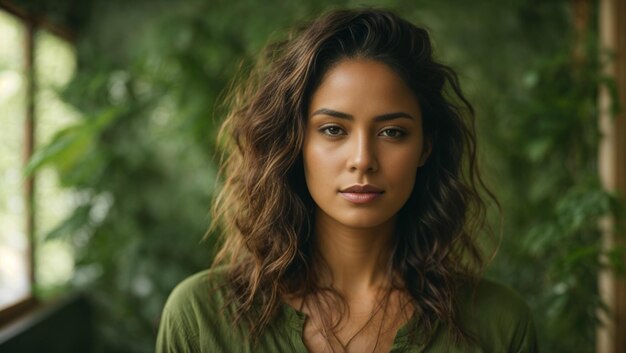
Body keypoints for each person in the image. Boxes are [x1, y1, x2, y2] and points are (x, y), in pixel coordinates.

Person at [156, 8, 538, 353]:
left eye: (392, 132)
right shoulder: (202, 319)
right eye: (334, 129)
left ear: (425, 146)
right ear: (296, 141)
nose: (362, 160)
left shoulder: (497, 325)